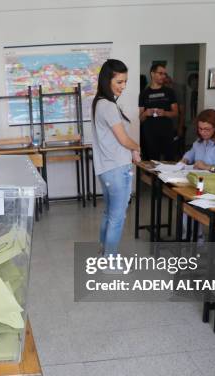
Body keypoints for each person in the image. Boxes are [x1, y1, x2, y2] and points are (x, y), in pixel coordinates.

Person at [91, 59, 141, 256]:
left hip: (107, 169)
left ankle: (104, 251)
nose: (123, 86)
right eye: (119, 82)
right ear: (107, 80)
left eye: (125, 82)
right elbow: (123, 139)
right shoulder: (108, 106)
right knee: (117, 217)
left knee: (110, 213)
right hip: (116, 169)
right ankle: (110, 258)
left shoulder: (100, 103)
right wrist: (136, 147)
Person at [139, 62, 178, 161]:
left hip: (167, 132)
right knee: (152, 161)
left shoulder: (169, 92)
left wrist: (164, 113)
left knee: (169, 159)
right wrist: (146, 113)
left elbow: (175, 113)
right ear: (152, 74)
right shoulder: (144, 93)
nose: (163, 76)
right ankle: (153, 177)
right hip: (150, 133)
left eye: (164, 74)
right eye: (160, 73)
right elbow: (140, 118)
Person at [180, 109, 215, 179]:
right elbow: (191, 152)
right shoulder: (200, 141)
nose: (202, 132)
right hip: (200, 179)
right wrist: (185, 159)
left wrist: (207, 167)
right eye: (200, 129)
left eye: (207, 129)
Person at [164, 73, 186, 159]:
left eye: (169, 82)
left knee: (174, 151)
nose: (167, 85)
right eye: (165, 83)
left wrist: (180, 127)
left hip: (174, 126)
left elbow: (182, 112)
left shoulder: (177, 91)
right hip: (162, 127)